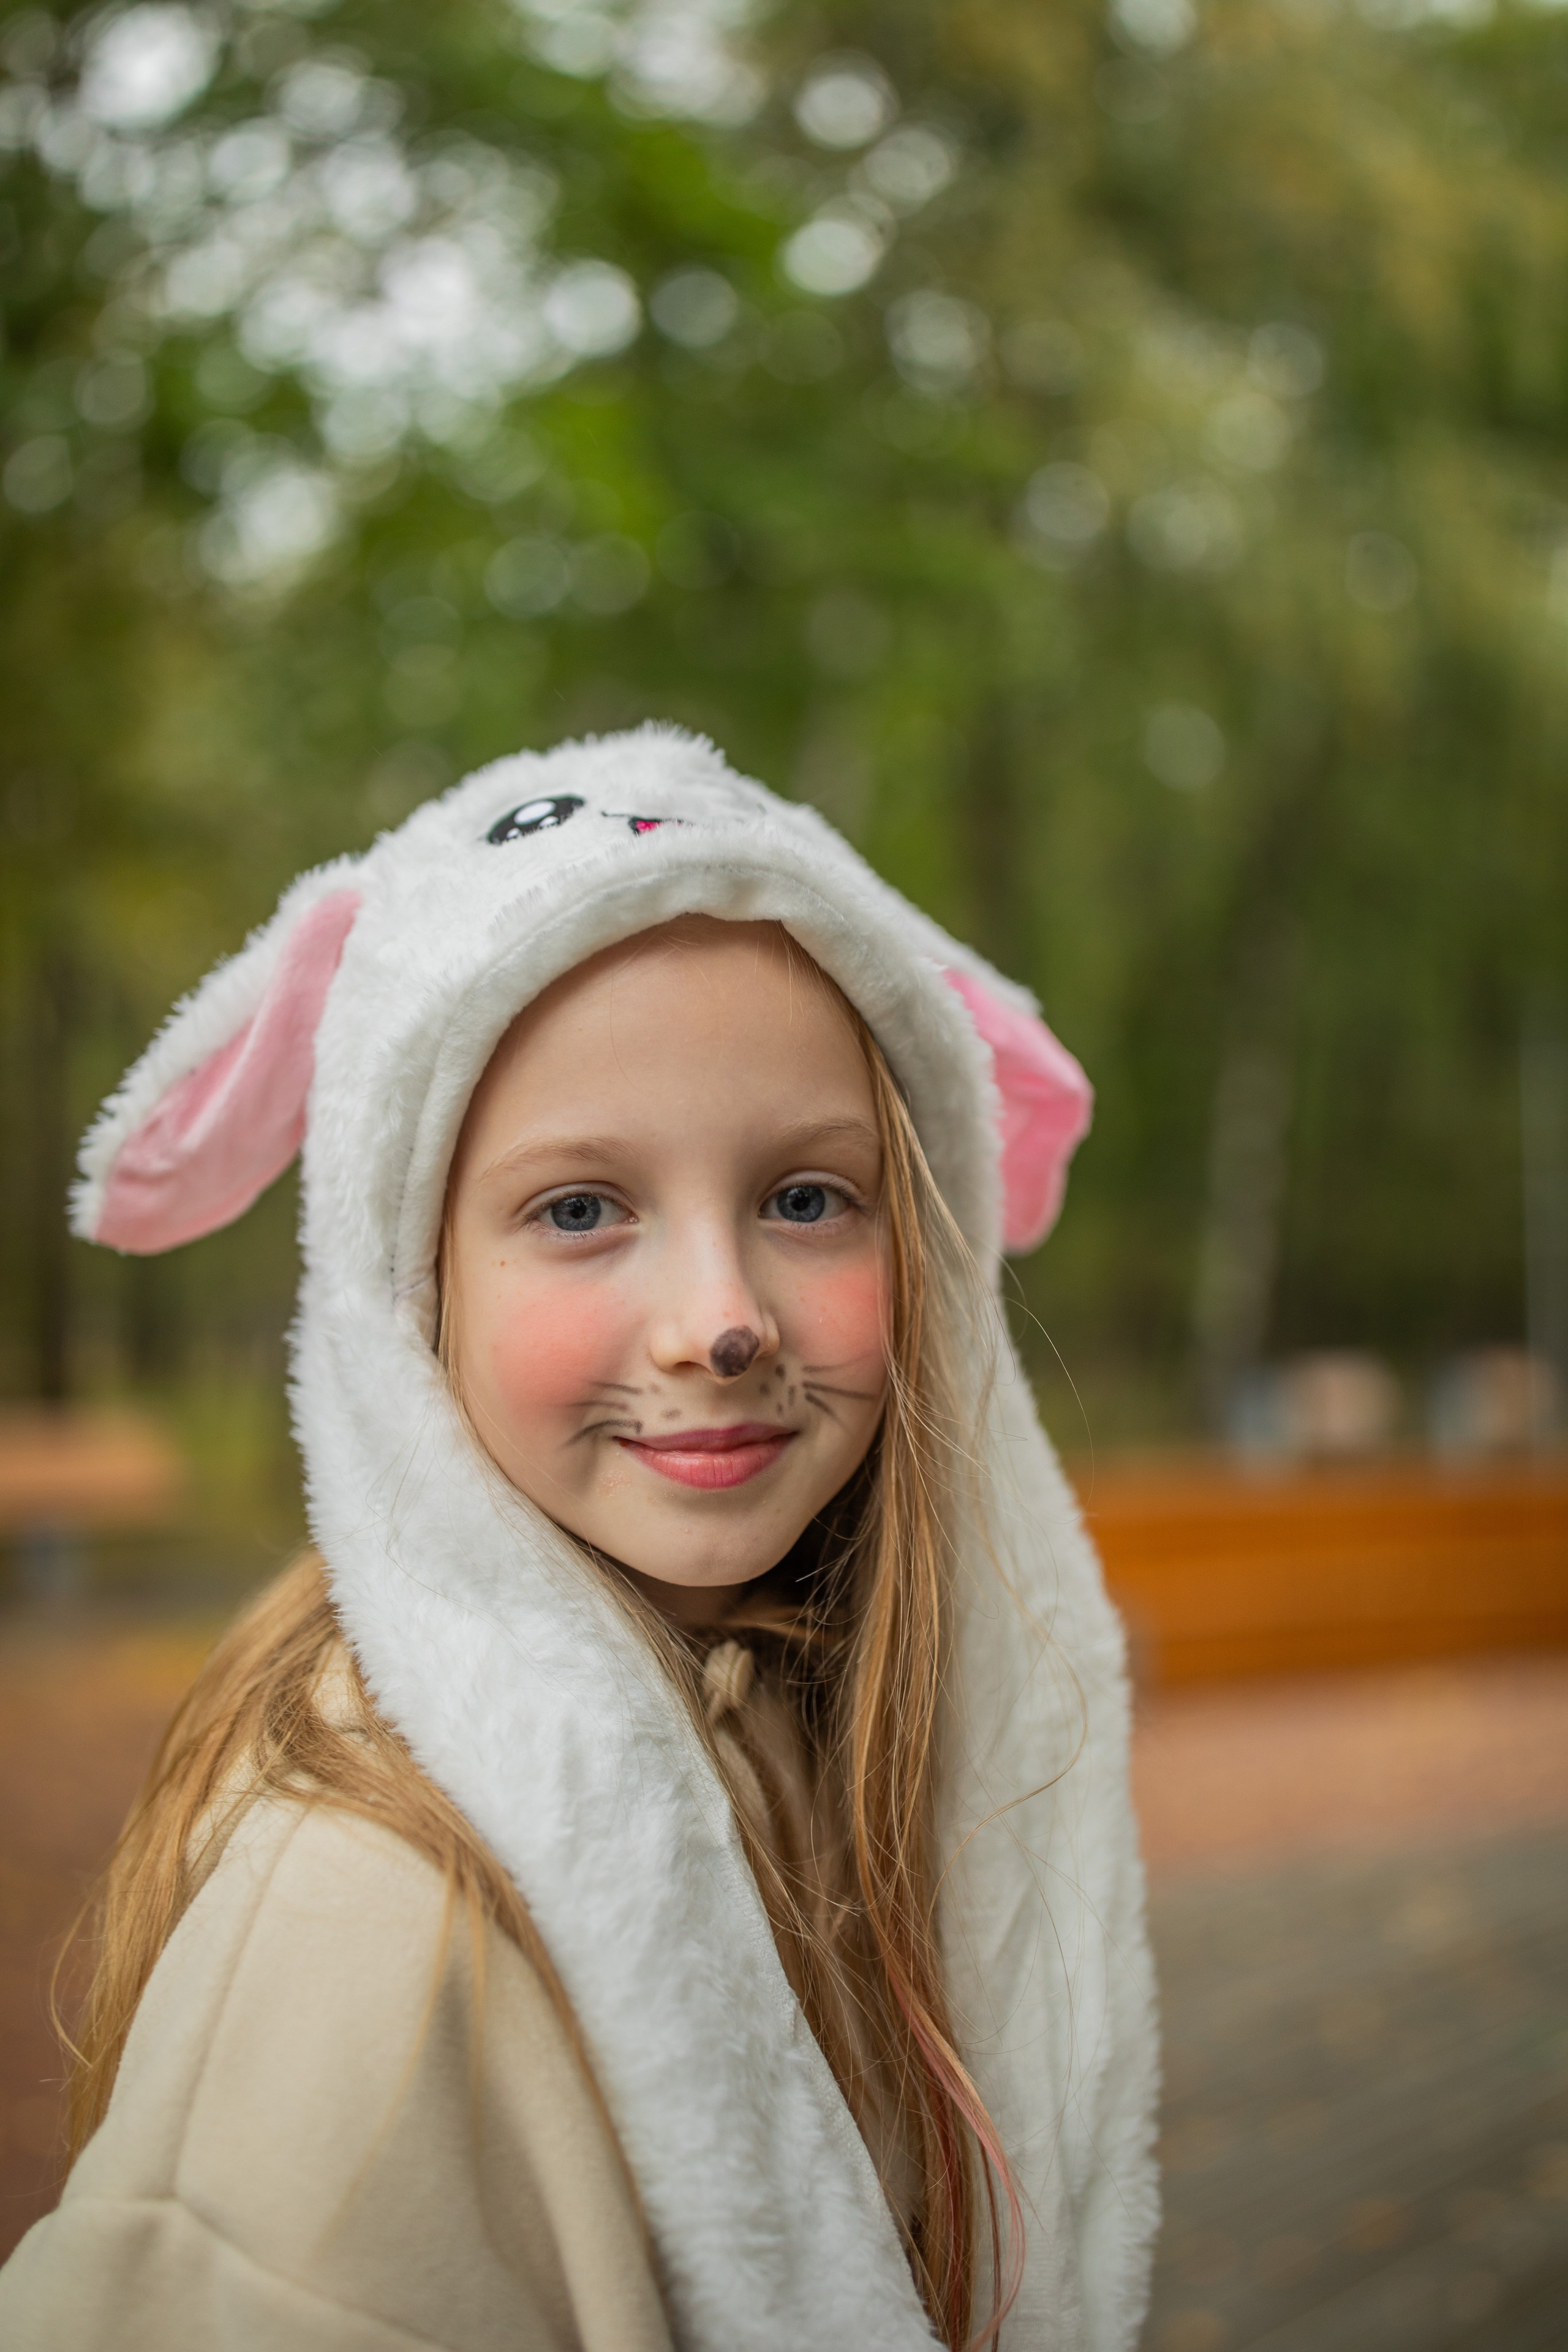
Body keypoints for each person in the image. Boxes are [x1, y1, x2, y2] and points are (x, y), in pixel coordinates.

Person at [0, 728, 1157, 2351]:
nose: (724, 1322)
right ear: (411, 1290)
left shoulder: (827, 1721)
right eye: (579, 1209)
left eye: (807, 1198)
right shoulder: (371, 1928)